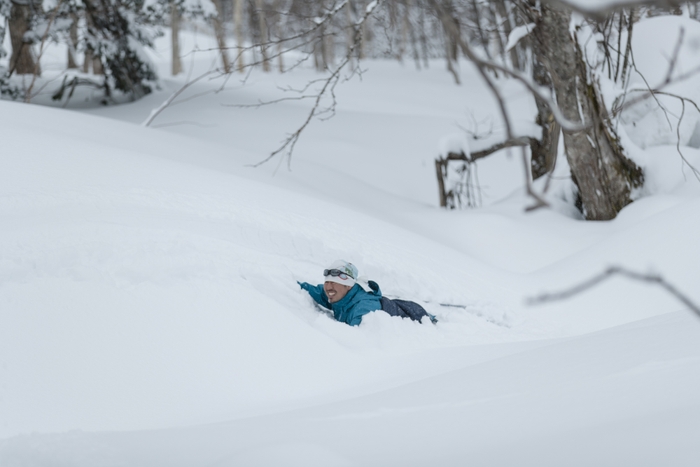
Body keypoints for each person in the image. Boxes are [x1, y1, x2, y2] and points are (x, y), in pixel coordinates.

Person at [298, 260, 436, 326]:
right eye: (327, 282)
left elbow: (357, 340)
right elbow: (319, 292)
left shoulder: (363, 310)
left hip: (413, 315)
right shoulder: (338, 294)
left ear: (349, 286)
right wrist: (297, 285)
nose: (328, 287)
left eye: (334, 282)